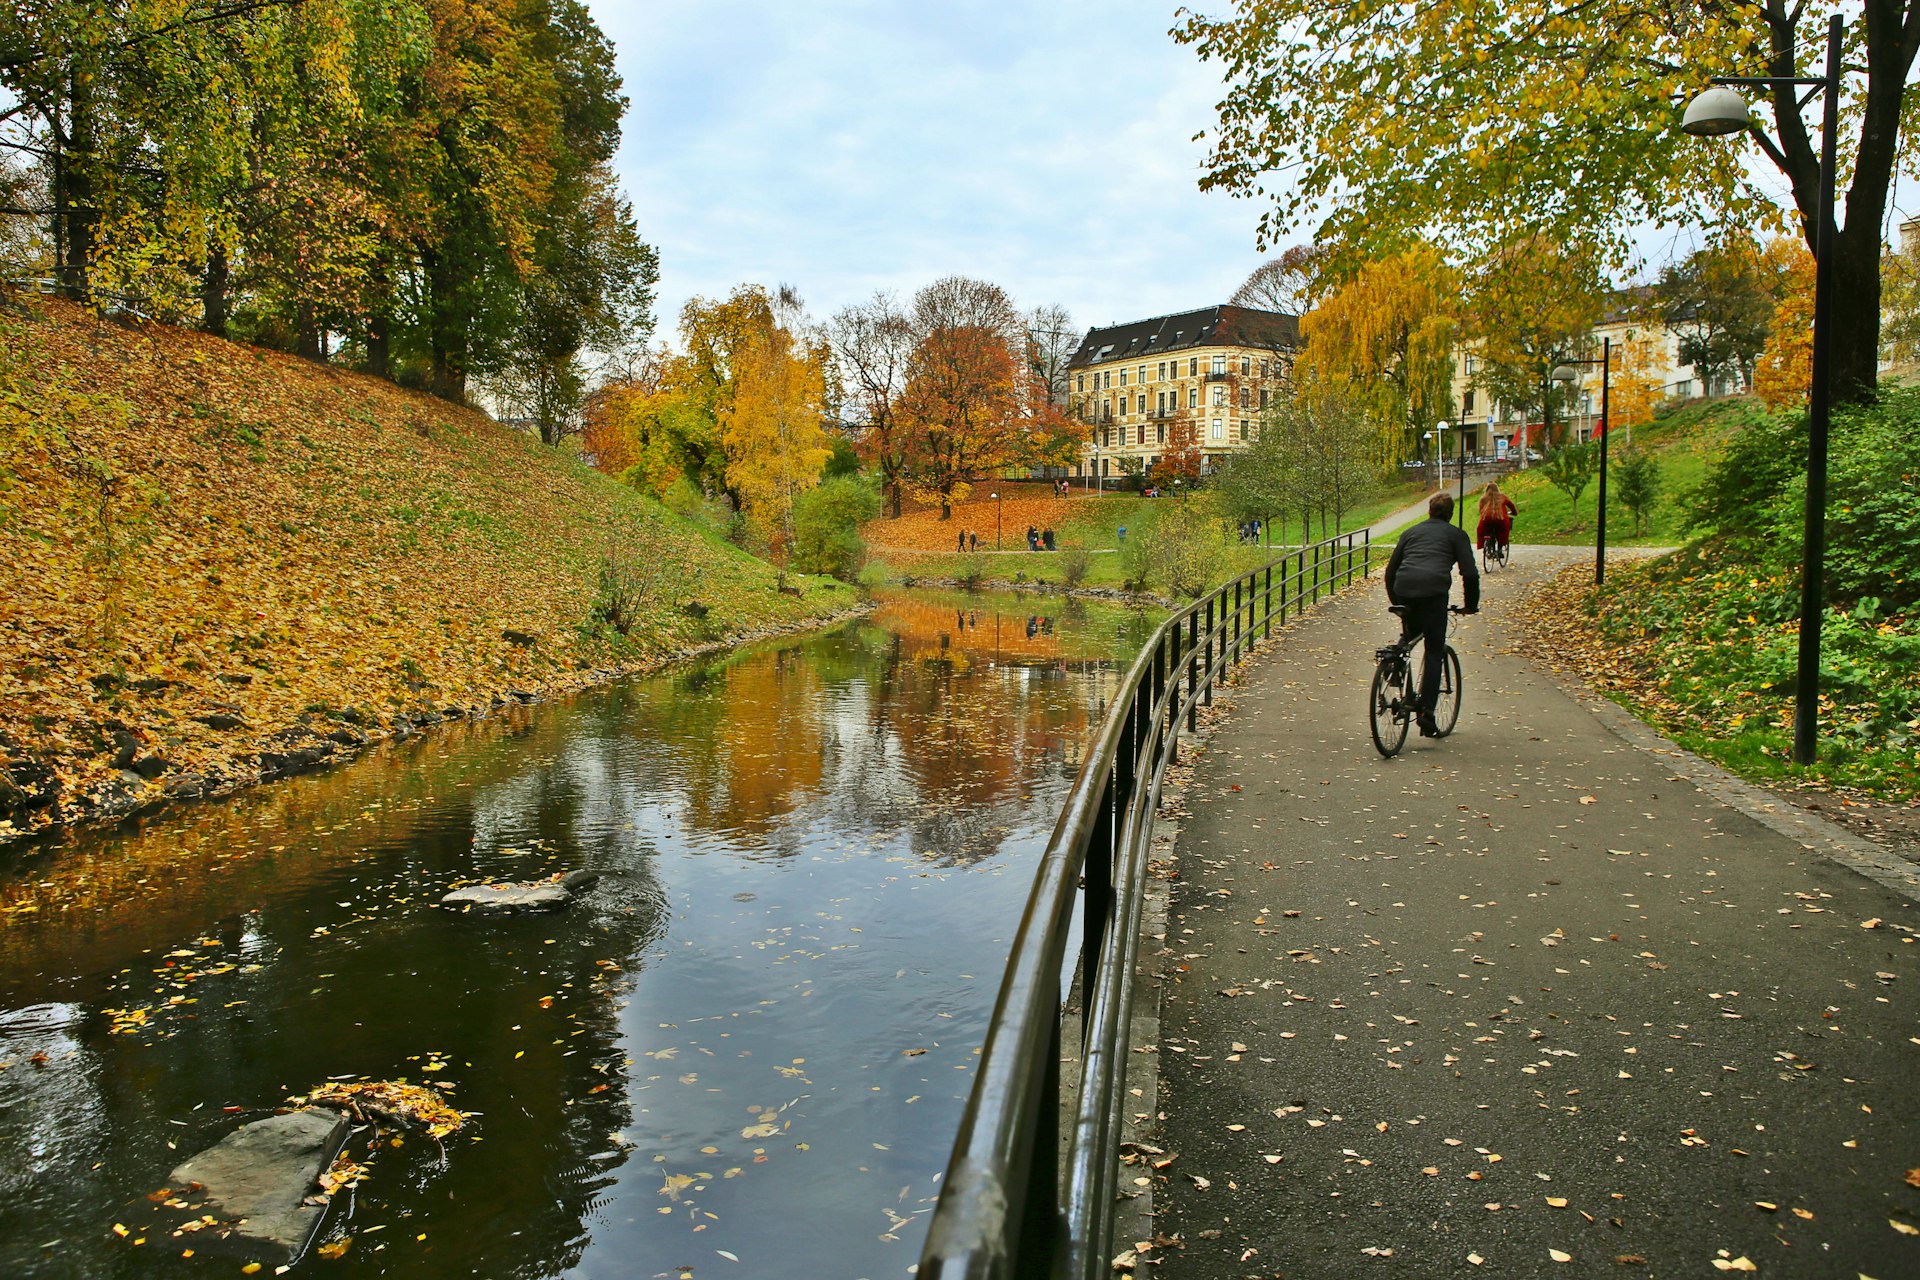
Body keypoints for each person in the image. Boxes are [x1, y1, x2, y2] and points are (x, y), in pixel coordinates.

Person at [1384, 493, 1480, 737]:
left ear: (1429, 511)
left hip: (1404, 590)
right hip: (1433, 594)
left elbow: (1391, 571)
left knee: (1412, 632)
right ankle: (1426, 713)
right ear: (1449, 514)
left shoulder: (1411, 533)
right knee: (1435, 650)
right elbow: (1469, 573)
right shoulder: (1456, 535)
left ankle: (1394, 661)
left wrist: (1398, 604)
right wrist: (1471, 605)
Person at [1476, 483, 1516, 555]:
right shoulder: (1502, 497)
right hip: (1500, 519)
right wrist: (1514, 512)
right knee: (1503, 531)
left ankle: (1488, 546)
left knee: (1485, 530)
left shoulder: (1483, 498)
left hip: (1487, 519)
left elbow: (1480, 510)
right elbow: (1511, 505)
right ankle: (1500, 549)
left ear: (1487, 489)